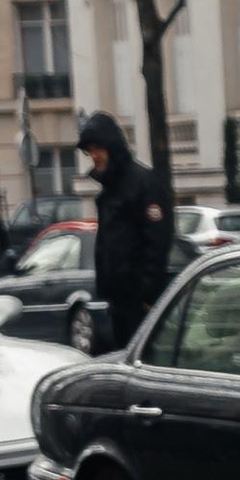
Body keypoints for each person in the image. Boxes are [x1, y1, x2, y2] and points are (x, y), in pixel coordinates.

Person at [78, 108, 172, 334]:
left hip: (139, 302)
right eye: (90, 151)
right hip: (117, 300)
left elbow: (157, 241)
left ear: (112, 148)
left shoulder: (143, 184)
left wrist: (148, 295)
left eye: (98, 149)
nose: (94, 156)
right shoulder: (110, 190)